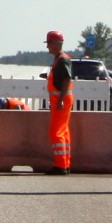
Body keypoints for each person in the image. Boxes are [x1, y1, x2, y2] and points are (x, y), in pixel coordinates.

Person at [45, 30, 73, 175]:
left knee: (56, 132)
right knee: (63, 131)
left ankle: (61, 166)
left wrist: (60, 100)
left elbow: (67, 79)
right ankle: (65, 164)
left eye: (49, 43)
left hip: (61, 100)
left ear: (56, 44)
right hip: (60, 99)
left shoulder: (62, 59)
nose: (47, 46)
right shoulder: (60, 59)